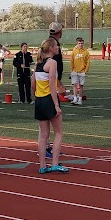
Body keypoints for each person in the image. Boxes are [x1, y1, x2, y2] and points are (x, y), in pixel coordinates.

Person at [32, 37, 69, 174]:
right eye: (57, 46)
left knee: (43, 135)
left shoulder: (38, 64)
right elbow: (53, 86)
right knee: (58, 132)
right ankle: (54, 163)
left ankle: (42, 166)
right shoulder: (52, 63)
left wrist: (37, 96)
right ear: (52, 48)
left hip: (40, 100)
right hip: (49, 100)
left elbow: (33, 84)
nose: (58, 48)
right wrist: (56, 105)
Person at [45, 22, 66, 158]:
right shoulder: (53, 46)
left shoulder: (46, 43)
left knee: (45, 118)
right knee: (52, 117)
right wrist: (59, 84)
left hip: (44, 82)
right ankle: (47, 147)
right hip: (50, 83)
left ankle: (46, 146)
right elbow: (55, 69)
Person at [70, 37, 91, 105]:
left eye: (82, 43)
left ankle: (80, 99)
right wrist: (71, 69)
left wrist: (85, 70)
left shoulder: (86, 52)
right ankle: (75, 98)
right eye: (79, 43)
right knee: (74, 84)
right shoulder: (74, 50)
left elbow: (88, 62)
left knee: (81, 85)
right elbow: (71, 59)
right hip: (75, 70)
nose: (80, 44)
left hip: (82, 71)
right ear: (77, 43)